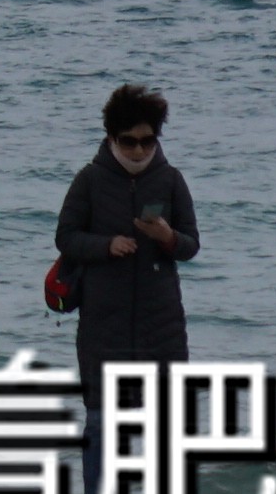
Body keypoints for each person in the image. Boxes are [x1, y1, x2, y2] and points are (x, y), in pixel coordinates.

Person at [53, 85, 199, 402]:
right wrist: (107, 246)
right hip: (103, 324)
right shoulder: (89, 180)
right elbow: (65, 236)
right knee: (102, 424)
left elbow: (190, 245)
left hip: (162, 324)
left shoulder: (171, 179)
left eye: (147, 142)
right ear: (111, 138)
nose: (138, 151)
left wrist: (168, 237)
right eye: (129, 141)